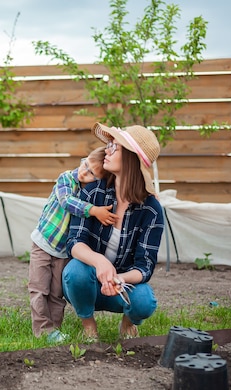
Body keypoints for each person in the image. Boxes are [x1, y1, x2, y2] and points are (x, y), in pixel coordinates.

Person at [62, 122, 165, 342]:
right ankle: (89, 326)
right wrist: (100, 262)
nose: (107, 151)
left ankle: (129, 323)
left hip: (121, 287)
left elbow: (144, 267)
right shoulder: (93, 192)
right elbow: (75, 242)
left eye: (114, 147)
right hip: (88, 282)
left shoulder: (151, 210)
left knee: (145, 302)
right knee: (74, 272)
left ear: (130, 158)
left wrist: (119, 278)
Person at [29, 146, 118, 343]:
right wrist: (93, 210)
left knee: (55, 292)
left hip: (62, 251)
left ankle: (54, 329)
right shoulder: (66, 179)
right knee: (39, 288)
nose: (83, 171)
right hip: (43, 243)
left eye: (91, 173)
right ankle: (42, 329)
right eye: (85, 164)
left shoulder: (91, 192)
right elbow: (66, 201)